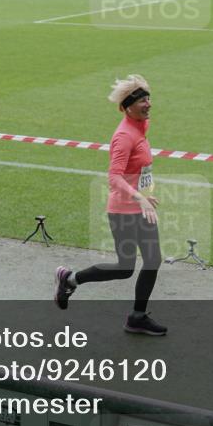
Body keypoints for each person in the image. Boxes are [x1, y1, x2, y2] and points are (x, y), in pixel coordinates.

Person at [54, 75, 166, 335]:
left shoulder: (141, 125)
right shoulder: (124, 136)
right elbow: (114, 177)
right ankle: (69, 279)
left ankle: (137, 317)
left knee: (153, 260)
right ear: (127, 107)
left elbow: (136, 170)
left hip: (140, 207)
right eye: (141, 101)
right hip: (123, 211)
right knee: (125, 267)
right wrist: (137, 196)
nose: (148, 104)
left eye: (148, 98)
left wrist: (143, 194)